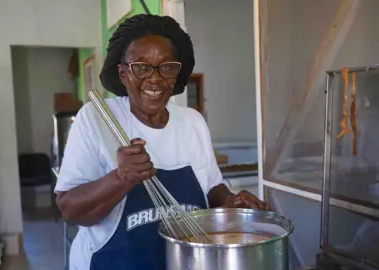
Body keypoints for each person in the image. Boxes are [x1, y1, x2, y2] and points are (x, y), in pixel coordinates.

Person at [55, 14, 270, 270]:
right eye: (141, 67)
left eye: (166, 67)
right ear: (123, 74)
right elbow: (69, 209)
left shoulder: (192, 121)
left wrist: (232, 203)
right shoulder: (95, 119)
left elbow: (212, 188)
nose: (155, 79)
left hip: (183, 263)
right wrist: (121, 178)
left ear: (176, 75)